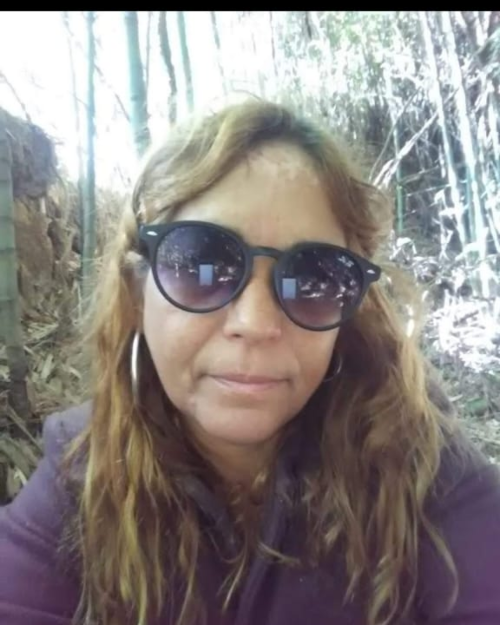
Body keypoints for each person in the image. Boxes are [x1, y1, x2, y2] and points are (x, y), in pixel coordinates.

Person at [1, 98, 499, 625]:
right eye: (201, 265)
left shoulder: (419, 460)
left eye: (314, 277)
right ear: (136, 297)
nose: (256, 323)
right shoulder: (79, 479)